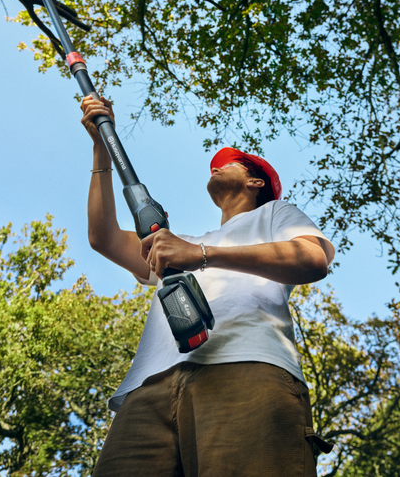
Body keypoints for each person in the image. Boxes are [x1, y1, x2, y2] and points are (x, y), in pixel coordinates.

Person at [79, 94, 337, 477]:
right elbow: (103, 238)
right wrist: (101, 147)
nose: (215, 167)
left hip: (247, 367)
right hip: (148, 389)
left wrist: (201, 254)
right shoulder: (177, 246)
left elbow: (312, 259)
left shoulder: (273, 213)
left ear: (255, 181)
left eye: (229, 163)